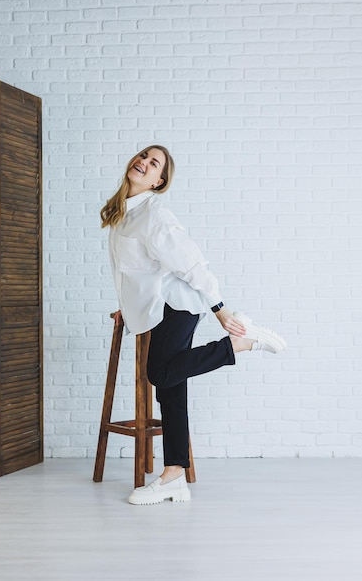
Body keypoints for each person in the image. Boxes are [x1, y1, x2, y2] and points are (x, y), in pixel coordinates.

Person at [100, 145, 287, 506]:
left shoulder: (154, 215)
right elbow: (134, 271)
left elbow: (191, 263)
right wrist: (125, 306)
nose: (144, 162)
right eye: (143, 156)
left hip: (178, 305)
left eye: (154, 164)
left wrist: (220, 310)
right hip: (158, 306)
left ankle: (239, 344)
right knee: (170, 386)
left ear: (159, 181)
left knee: (160, 374)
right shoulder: (126, 212)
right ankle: (174, 476)